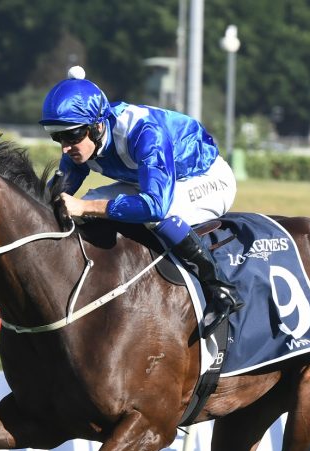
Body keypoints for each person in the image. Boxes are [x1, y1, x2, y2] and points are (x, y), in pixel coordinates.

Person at [40, 66, 243, 338]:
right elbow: (55, 197)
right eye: (58, 137)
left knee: (153, 215)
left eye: (72, 135)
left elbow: (155, 205)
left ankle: (220, 288)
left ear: (97, 126)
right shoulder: (81, 141)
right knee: (86, 202)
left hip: (206, 178)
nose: (65, 147)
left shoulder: (144, 133)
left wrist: (85, 207)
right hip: (150, 181)